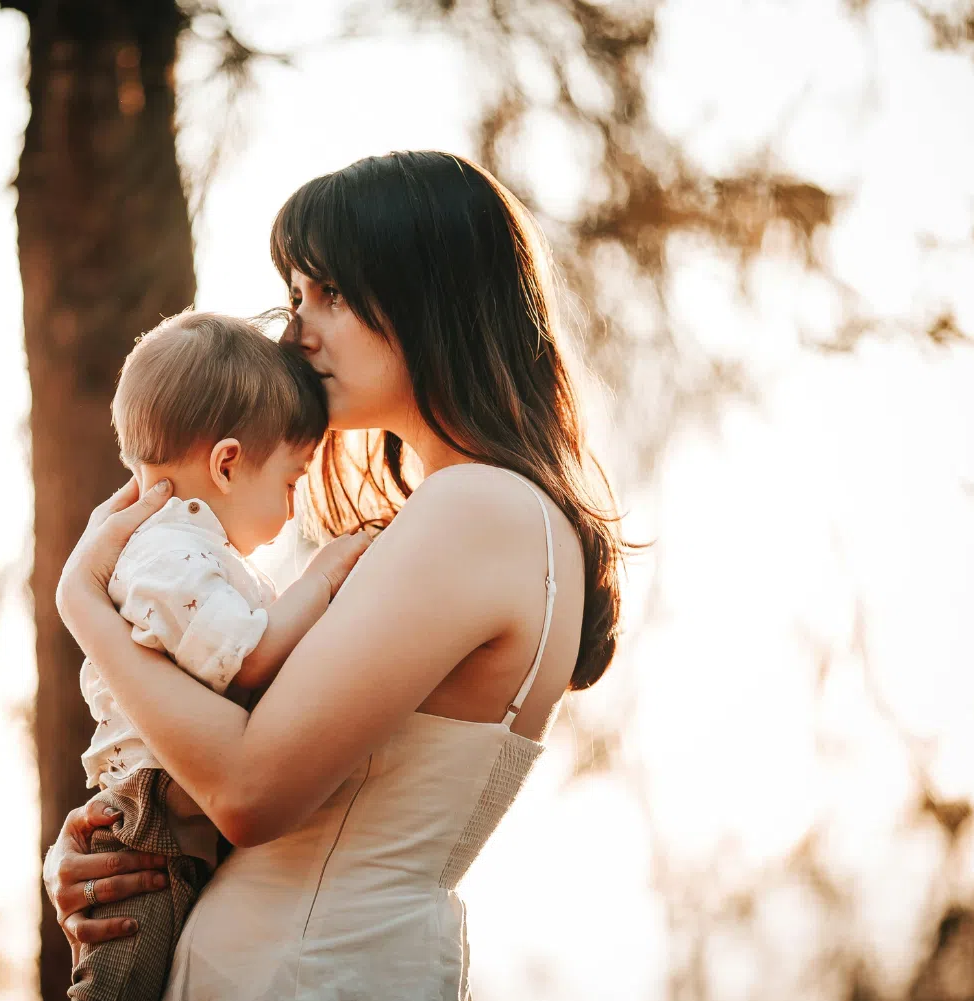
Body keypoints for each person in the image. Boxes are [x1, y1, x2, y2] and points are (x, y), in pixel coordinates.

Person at [47, 150, 628, 1000]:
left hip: (305, 973)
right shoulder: (475, 513)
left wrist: (84, 605)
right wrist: (124, 838)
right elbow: (262, 774)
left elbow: (250, 789)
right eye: (295, 297)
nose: (298, 331)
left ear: (431, 295)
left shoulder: (477, 509)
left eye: (333, 295)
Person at [61, 310, 371, 1001]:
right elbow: (250, 658)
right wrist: (324, 576)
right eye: (291, 482)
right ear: (227, 463)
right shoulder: (171, 556)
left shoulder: (189, 554)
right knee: (118, 986)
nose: (293, 509)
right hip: (147, 833)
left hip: (171, 826)